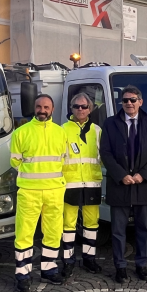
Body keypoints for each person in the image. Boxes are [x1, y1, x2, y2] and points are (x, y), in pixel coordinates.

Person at [99, 86, 147, 282]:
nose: (129, 103)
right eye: (125, 100)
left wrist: (143, 175)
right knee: (118, 230)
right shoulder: (110, 124)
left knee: (143, 227)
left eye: (133, 100)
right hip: (120, 185)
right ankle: (120, 266)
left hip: (143, 184)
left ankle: (142, 264)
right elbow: (106, 153)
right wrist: (121, 175)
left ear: (140, 102)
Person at [10, 94, 69, 292]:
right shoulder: (21, 132)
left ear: (52, 109)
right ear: (33, 108)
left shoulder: (61, 133)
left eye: (46, 107)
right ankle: (22, 274)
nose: (42, 110)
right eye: (38, 106)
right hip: (29, 192)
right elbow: (14, 162)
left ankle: (49, 269)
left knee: (53, 232)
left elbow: (65, 161)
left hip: (55, 191)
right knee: (24, 234)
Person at [61, 92, 103, 278]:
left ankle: (89, 258)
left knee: (91, 223)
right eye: (76, 106)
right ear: (71, 108)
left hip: (92, 182)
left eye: (84, 106)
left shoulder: (97, 130)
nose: (80, 109)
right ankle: (68, 261)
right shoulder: (62, 130)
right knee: (68, 224)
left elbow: (103, 156)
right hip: (70, 183)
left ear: (90, 109)